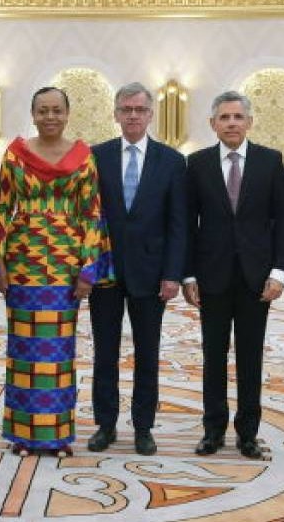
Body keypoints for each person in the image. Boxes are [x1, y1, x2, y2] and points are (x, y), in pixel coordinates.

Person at [0, 86, 110, 458]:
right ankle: (23, 436)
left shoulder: (84, 157)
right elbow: (1, 208)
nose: (50, 117)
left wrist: (89, 267)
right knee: (24, 349)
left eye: (57, 110)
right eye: (43, 110)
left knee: (58, 351)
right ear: (33, 114)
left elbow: (92, 212)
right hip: (23, 264)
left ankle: (56, 436)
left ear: (68, 113)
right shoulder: (15, 154)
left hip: (65, 267)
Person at [183, 90, 284, 460]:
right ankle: (212, 431)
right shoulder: (197, 163)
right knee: (213, 357)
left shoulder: (270, 161)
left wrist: (279, 272)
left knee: (250, 357)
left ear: (249, 122)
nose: (231, 123)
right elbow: (187, 224)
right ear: (213, 124)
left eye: (238, 117)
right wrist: (188, 275)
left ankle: (248, 434)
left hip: (256, 278)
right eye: (224, 117)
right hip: (210, 277)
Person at [88, 82, 186, 456]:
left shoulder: (171, 161)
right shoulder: (96, 157)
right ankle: (106, 424)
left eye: (140, 110)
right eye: (126, 109)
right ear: (115, 114)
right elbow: (87, 217)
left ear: (150, 115)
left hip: (152, 273)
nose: (133, 116)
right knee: (105, 353)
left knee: (147, 353)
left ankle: (143, 427)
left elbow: (178, 224)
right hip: (106, 273)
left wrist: (173, 273)